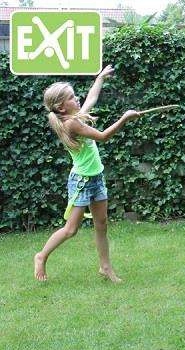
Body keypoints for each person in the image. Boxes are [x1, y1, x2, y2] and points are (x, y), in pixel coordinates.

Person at [34, 65, 139, 282]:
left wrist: (100, 78)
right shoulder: (71, 123)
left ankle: (105, 267)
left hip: (96, 178)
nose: (77, 99)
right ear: (61, 107)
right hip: (81, 182)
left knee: (101, 224)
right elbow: (103, 136)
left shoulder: (76, 115)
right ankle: (41, 256)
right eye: (72, 98)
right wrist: (124, 119)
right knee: (71, 229)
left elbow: (91, 98)